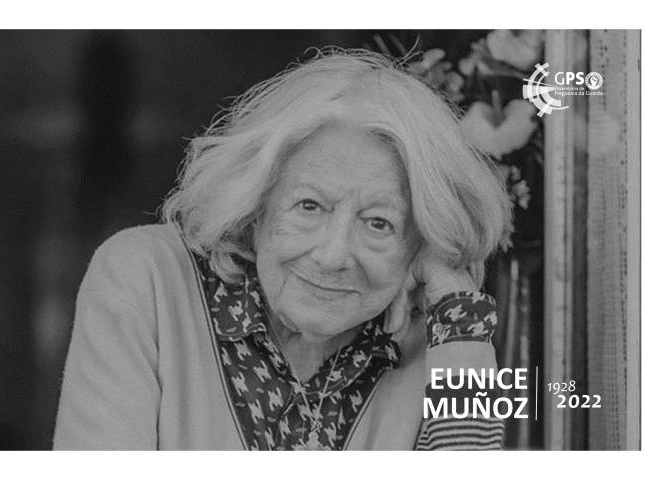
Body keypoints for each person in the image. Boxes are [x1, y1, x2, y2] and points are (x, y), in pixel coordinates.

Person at [53, 48, 512, 450]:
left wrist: (459, 320)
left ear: (419, 242)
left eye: (378, 223)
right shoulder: (148, 281)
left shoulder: (434, 334)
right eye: (310, 206)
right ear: (256, 204)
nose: (332, 256)